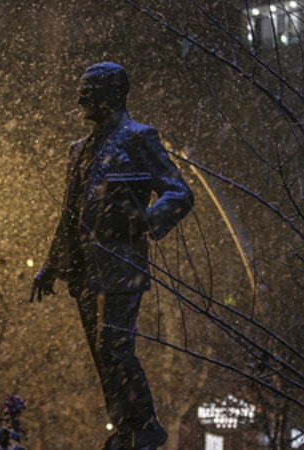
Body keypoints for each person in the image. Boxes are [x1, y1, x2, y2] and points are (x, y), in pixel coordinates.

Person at [30, 62, 194, 450]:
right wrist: (52, 265)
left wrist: (144, 221)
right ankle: (126, 429)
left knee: (114, 347)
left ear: (114, 94)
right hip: (85, 269)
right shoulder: (79, 149)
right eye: (81, 89)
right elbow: (69, 213)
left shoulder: (139, 138)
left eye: (89, 89)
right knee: (101, 355)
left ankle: (145, 426)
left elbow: (180, 193)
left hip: (122, 266)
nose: (80, 98)